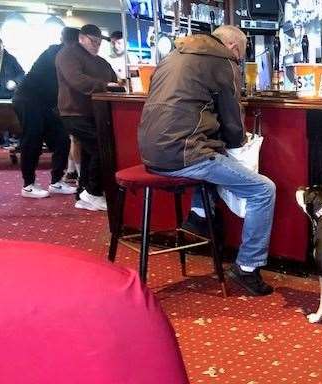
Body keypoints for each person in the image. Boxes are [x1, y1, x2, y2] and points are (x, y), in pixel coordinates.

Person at [138, 26, 276, 296]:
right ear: (234, 48)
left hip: (150, 152)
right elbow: (233, 120)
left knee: (214, 154)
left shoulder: (174, 54)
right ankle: (247, 268)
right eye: (241, 55)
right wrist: (239, 143)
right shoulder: (223, 60)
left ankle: (199, 215)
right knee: (263, 189)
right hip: (184, 152)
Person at [56, 24, 118, 211]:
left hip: (94, 113)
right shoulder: (68, 54)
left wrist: (112, 84)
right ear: (81, 38)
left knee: (91, 151)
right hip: (74, 112)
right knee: (101, 148)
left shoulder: (101, 61)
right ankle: (93, 192)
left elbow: (113, 79)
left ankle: (84, 193)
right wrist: (106, 85)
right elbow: (77, 81)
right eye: (94, 41)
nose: (97, 45)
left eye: (99, 42)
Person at [13, 27, 80, 198]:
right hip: (28, 99)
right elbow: (72, 79)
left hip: (44, 103)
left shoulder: (66, 54)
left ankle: (56, 181)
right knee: (32, 139)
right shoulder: (56, 53)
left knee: (62, 139)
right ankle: (28, 185)